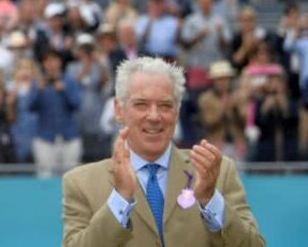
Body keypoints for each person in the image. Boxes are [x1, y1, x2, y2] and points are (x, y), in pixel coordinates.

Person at [62, 56, 265, 247]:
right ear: (118, 110)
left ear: (177, 112)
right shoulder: (80, 183)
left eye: (165, 105)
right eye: (141, 104)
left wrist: (210, 200)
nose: (154, 116)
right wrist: (120, 198)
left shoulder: (217, 171)